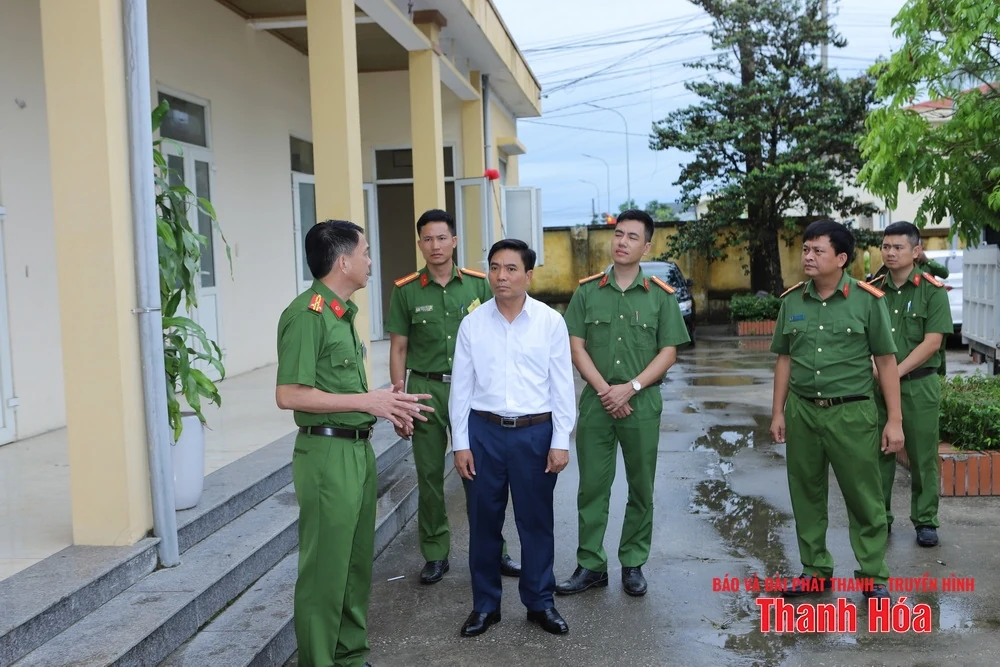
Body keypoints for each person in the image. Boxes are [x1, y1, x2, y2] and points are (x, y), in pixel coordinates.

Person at [275, 220, 435, 667]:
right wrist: (371, 399)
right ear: (343, 261)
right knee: (324, 572)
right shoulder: (307, 315)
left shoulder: (342, 314)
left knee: (353, 565)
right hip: (326, 456)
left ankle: (348, 655)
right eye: (365, 252)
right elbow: (289, 394)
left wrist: (386, 408)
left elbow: (338, 391)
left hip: (356, 449)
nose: (370, 260)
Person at [556, 209, 690, 598]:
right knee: (592, 487)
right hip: (599, 402)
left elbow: (668, 353)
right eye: (618, 234)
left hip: (642, 402)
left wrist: (629, 388)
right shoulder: (587, 291)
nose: (622, 242)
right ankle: (591, 565)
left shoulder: (660, 296)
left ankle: (632, 563)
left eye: (632, 237)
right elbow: (575, 346)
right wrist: (605, 390)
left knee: (641, 486)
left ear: (646, 246)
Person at [769, 219, 904, 601]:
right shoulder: (793, 301)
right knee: (806, 494)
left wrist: (894, 421)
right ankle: (814, 571)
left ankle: (873, 576)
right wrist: (778, 412)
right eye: (805, 250)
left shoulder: (866, 301)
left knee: (864, 496)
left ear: (841, 258)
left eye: (817, 251)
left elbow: (887, 362)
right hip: (803, 413)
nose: (808, 257)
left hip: (852, 413)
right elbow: (784, 360)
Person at [449, 239, 577, 638]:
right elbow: (461, 389)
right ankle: (485, 606)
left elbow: (562, 387)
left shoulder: (550, 322)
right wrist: (461, 443)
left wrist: (561, 440)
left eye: (510, 269)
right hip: (484, 433)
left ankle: (540, 603)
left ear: (528, 275)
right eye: (494, 268)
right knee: (484, 524)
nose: (500, 277)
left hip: (534, 435)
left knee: (536, 523)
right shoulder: (473, 323)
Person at [386, 209, 521, 584]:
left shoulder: (479, 285)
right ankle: (435, 553)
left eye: (442, 238)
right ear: (420, 244)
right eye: (427, 239)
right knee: (429, 475)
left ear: (455, 241)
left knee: (481, 477)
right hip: (425, 391)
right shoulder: (406, 290)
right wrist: (399, 403)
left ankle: (496, 551)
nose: (435, 246)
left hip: (473, 391)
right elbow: (398, 349)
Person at [870, 222, 953, 547]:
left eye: (897, 247)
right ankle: (881, 518)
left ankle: (925, 521)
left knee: (922, 456)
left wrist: (894, 371)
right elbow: (862, 335)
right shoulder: (873, 290)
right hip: (877, 386)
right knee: (879, 454)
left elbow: (932, 342)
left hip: (919, 386)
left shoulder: (932, 291)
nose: (890, 252)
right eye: (886, 246)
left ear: (916, 251)